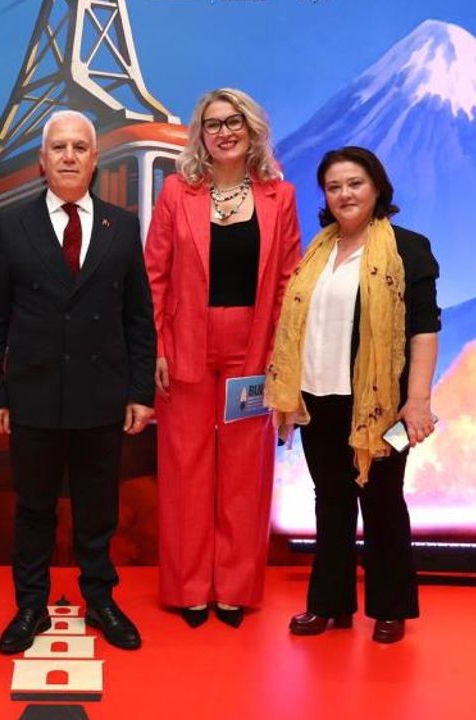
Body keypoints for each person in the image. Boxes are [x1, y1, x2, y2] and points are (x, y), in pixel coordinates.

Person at [0, 110, 156, 653]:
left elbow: (138, 318)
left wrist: (140, 391)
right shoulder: (12, 224)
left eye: (80, 147)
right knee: (33, 509)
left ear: (95, 160)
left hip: (102, 396)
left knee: (98, 509)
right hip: (33, 396)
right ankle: (30, 605)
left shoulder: (122, 226)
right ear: (43, 159)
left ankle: (100, 599)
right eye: (59, 148)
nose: (70, 156)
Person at [266, 146, 441, 644]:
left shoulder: (409, 248)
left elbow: (424, 329)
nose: (344, 194)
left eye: (355, 183)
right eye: (334, 186)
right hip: (317, 398)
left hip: (385, 407)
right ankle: (329, 605)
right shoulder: (317, 252)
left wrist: (418, 400)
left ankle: (390, 608)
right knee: (330, 501)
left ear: (377, 188)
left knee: (383, 502)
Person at [145, 88, 301, 629]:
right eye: (213, 124)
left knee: (244, 471)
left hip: (252, 350)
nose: (224, 132)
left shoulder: (281, 196)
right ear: (200, 135)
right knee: (184, 468)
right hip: (185, 344)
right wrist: (157, 348)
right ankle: (189, 588)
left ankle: (234, 588)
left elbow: (288, 283)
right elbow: (154, 276)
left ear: (252, 129)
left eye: (234, 121)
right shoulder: (176, 193)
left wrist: (281, 357)